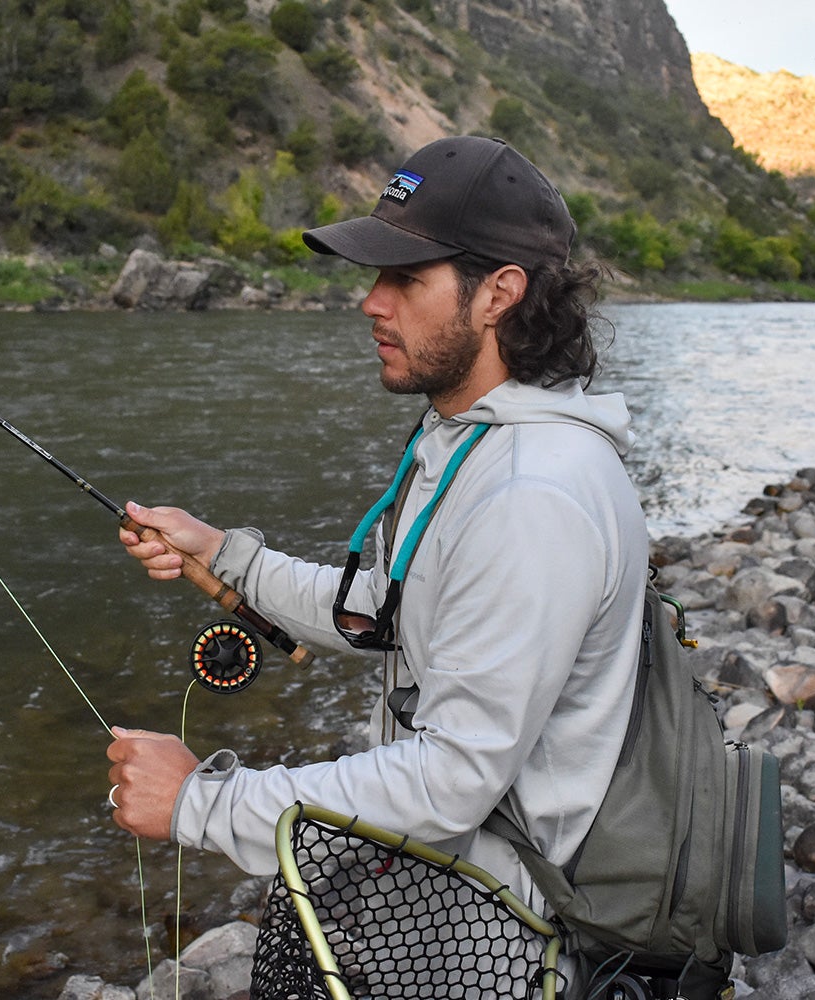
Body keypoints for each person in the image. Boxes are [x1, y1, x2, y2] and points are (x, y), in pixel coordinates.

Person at [106, 135, 650, 926]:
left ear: (499, 293)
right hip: (451, 886)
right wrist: (225, 556)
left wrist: (202, 802)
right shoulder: (468, 440)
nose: (372, 302)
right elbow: (388, 608)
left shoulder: (532, 497)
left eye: (405, 278)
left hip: (509, 933)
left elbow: (449, 781)